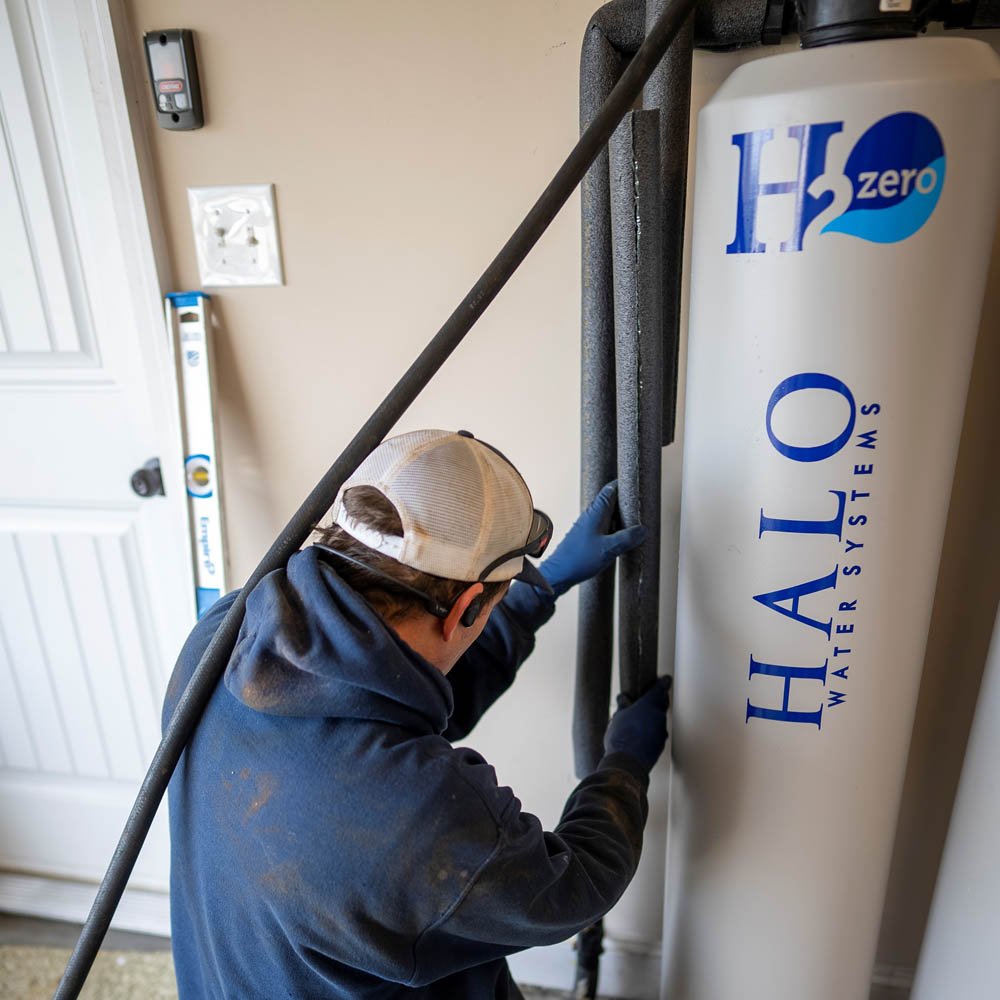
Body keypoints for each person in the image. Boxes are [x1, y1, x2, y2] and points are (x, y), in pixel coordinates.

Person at [164, 428, 671, 999]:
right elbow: (569, 890)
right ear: (466, 607)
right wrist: (623, 768)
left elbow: (380, 702)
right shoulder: (423, 813)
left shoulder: (225, 635)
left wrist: (533, 593)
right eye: (496, 600)